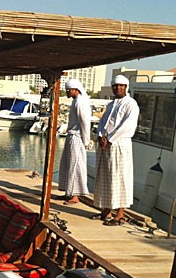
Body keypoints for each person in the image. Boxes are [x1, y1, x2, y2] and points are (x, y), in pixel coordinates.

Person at [92, 75, 139, 224]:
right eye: (115, 86)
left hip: (119, 144)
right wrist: (100, 136)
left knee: (120, 178)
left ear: (126, 87)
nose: (117, 88)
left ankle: (120, 213)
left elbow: (127, 125)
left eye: (121, 85)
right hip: (106, 145)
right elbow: (102, 122)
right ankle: (106, 210)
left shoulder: (131, 104)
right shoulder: (112, 104)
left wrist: (110, 139)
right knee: (105, 177)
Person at [58, 79, 92, 205]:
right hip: (72, 136)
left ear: (75, 90)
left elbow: (84, 122)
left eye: (68, 90)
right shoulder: (75, 101)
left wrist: (86, 140)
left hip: (77, 137)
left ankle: (76, 195)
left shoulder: (80, 102)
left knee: (75, 165)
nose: (67, 92)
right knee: (68, 164)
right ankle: (69, 192)